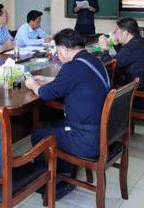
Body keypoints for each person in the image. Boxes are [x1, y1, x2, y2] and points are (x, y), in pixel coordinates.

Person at [25, 28, 110, 199]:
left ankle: (51, 186)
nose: (57, 56)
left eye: (57, 52)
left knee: (39, 136)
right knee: (54, 125)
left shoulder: (72, 67)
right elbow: (77, 81)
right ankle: (64, 174)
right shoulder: (94, 60)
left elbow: (45, 94)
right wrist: (49, 80)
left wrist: (32, 84)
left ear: (65, 49)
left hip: (86, 139)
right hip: (103, 132)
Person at [99, 17, 144, 109]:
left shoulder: (133, 47)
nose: (114, 34)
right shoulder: (143, 42)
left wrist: (105, 49)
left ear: (125, 33)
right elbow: (124, 56)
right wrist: (115, 43)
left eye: (116, 31)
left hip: (141, 97)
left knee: (103, 84)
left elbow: (109, 65)